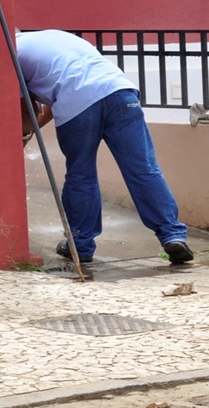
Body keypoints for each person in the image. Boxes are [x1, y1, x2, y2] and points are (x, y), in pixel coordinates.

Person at [17, 29, 194, 264]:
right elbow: (69, 86)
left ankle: (80, 245)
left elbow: (23, 111)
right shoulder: (54, 37)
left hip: (77, 105)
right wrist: (36, 130)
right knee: (143, 169)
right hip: (120, 92)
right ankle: (172, 235)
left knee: (81, 174)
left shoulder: (11, 52)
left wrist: (23, 139)